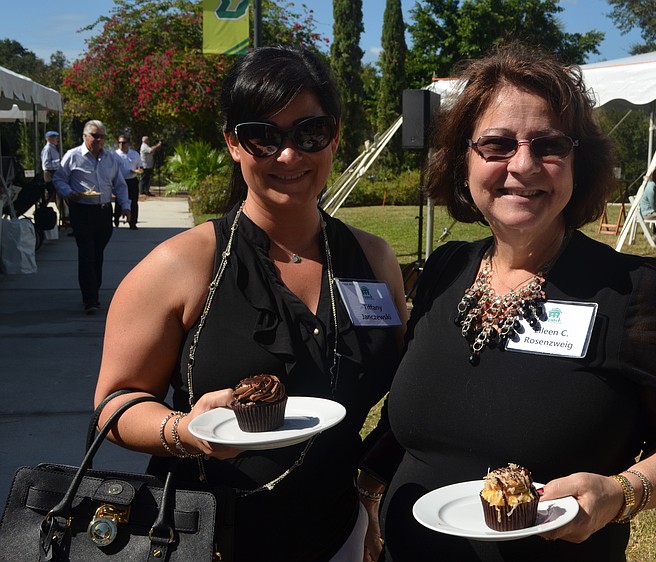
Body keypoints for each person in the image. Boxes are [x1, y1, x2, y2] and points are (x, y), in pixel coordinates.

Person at [379, 43, 656, 561]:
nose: (523, 164)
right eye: (496, 145)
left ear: (576, 162)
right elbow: (404, 422)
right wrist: (365, 492)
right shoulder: (445, 271)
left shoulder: (632, 292)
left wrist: (621, 495)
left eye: (548, 145)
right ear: (462, 161)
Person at [93, 45, 407, 560]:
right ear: (234, 145)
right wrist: (184, 430)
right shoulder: (181, 265)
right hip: (206, 540)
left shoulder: (373, 259)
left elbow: (406, 397)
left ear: (334, 137)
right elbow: (113, 406)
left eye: (309, 133)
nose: (288, 155)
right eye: (262, 136)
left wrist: (372, 494)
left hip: (337, 537)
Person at [52, 120, 130, 314]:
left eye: (102, 136)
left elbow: (119, 184)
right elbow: (58, 178)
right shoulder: (73, 156)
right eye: (95, 136)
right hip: (83, 210)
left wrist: (126, 206)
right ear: (85, 136)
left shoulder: (110, 158)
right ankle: (90, 299)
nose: (99, 140)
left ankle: (93, 289)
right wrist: (69, 192)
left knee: (97, 254)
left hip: (103, 212)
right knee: (86, 253)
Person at [114, 134, 143, 229]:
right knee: (119, 201)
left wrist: (139, 170)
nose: (121, 144)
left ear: (128, 143)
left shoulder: (134, 154)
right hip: (120, 181)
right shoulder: (114, 155)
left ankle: (133, 222)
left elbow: (140, 166)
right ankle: (117, 219)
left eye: (123, 142)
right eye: (119, 142)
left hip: (132, 180)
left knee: (133, 202)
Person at [41, 130, 66, 227]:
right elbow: (46, 164)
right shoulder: (48, 149)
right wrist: (59, 161)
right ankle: (42, 210)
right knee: (50, 193)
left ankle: (63, 215)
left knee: (59, 195)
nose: (57, 140)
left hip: (55, 172)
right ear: (50, 139)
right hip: (50, 173)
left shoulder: (53, 148)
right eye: (55, 138)